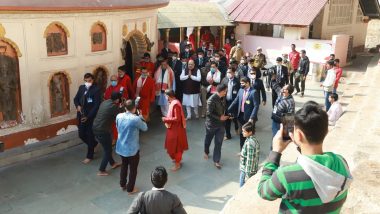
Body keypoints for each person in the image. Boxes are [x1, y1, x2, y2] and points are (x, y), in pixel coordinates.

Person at [258, 101, 352, 213]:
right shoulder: (341, 162)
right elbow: (313, 166)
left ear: (299, 135)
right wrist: (300, 144)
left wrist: (275, 152)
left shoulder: (286, 175)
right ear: (326, 131)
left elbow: (264, 192)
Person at [116, 99, 148, 194]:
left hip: (121, 146)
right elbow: (145, 128)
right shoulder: (135, 119)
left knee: (124, 165)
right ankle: (130, 188)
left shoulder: (119, 116)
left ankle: (122, 184)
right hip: (132, 149)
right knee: (133, 169)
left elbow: (118, 127)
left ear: (125, 108)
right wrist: (141, 116)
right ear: (134, 108)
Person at [93, 92, 123, 176]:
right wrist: (121, 107)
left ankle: (113, 163)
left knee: (107, 147)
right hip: (102, 130)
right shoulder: (113, 106)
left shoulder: (105, 102)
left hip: (95, 127)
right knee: (108, 150)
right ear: (117, 100)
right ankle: (101, 170)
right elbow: (120, 115)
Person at [74, 73, 101, 164]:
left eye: (89, 81)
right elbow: (76, 99)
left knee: (90, 135)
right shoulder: (81, 88)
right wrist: (77, 106)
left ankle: (90, 155)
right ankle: (94, 144)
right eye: (86, 81)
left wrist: (88, 117)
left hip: (90, 116)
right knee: (81, 134)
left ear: (92, 80)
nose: (87, 83)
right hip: (81, 115)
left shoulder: (96, 90)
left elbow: (96, 105)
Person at [228, 77, 259, 150]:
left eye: (243, 83)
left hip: (249, 118)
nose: (241, 85)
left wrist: (252, 118)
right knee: (242, 134)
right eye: (240, 83)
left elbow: (256, 106)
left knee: (250, 135)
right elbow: (236, 101)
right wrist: (228, 110)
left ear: (248, 83)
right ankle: (242, 150)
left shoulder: (253, 92)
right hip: (241, 116)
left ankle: (251, 149)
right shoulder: (240, 90)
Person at [204, 84, 230, 169]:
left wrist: (227, 115)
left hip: (221, 125)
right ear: (221, 91)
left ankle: (216, 160)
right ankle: (206, 151)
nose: (226, 93)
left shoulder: (223, 98)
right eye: (225, 91)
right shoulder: (211, 100)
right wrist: (220, 117)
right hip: (211, 125)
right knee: (208, 140)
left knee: (218, 143)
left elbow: (224, 108)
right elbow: (208, 113)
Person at [162, 90, 189, 171]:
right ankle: (177, 160)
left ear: (168, 96)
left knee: (176, 148)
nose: (165, 97)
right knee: (172, 147)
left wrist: (166, 119)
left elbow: (177, 119)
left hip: (176, 130)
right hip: (173, 129)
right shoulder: (173, 102)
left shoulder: (175, 104)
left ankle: (177, 164)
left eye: (165, 96)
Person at [221, 67, 240, 140]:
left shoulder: (237, 82)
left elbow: (239, 93)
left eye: (230, 72)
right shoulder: (224, 80)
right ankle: (228, 135)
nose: (228, 74)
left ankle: (236, 127)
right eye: (227, 72)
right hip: (226, 102)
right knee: (227, 119)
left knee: (234, 118)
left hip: (234, 102)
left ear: (233, 73)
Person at [239, 122, 260, 187]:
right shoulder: (252, 139)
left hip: (247, 171)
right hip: (250, 170)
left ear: (250, 132)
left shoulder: (250, 143)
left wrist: (247, 176)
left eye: (244, 131)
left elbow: (250, 160)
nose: (242, 132)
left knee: (242, 189)